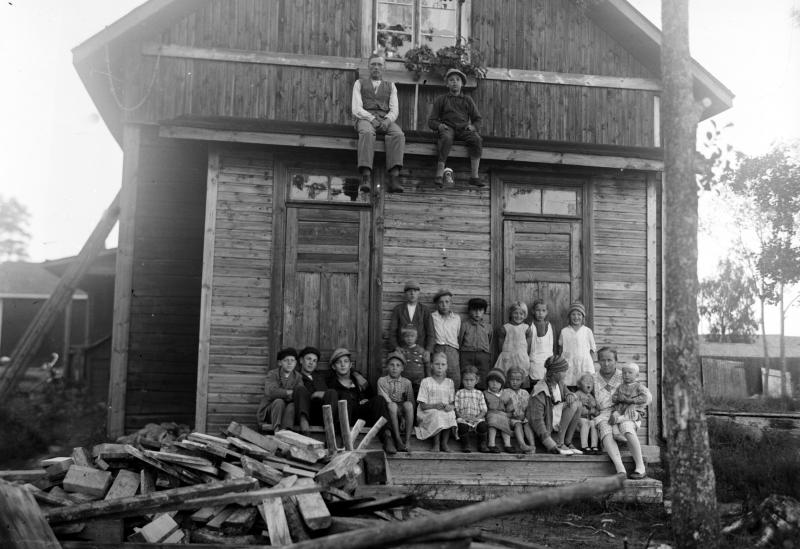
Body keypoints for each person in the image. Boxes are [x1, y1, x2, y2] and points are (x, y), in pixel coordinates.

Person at [322, 348, 394, 453]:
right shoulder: (330, 382)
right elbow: (328, 398)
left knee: (379, 400)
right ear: (333, 366)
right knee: (345, 397)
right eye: (339, 362)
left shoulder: (358, 380)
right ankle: (340, 438)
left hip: (359, 417)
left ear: (350, 365)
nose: (343, 365)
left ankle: (387, 437)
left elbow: (371, 396)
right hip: (341, 418)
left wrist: (365, 400)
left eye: (346, 361)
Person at [594, 347, 650, 479]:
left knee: (626, 426)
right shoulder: (593, 378)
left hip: (626, 410)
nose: (606, 363)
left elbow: (647, 396)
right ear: (598, 361)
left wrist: (633, 404)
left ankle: (640, 467)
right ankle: (621, 470)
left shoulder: (625, 374)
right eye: (602, 360)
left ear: (616, 361)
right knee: (605, 428)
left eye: (610, 360)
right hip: (605, 413)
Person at [352, 54, 405, 194]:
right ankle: (366, 176)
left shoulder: (391, 86)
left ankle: (394, 178)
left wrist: (387, 120)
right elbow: (356, 108)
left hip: (384, 118)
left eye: (379, 65)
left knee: (398, 134)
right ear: (368, 67)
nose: (376, 67)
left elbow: (394, 109)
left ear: (384, 68)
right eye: (373, 64)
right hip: (365, 118)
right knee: (367, 133)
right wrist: (371, 119)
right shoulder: (359, 83)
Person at [427, 68, 484, 188]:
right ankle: (439, 174)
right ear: (447, 84)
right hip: (448, 128)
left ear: (462, 84)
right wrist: (439, 126)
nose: (455, 82)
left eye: (458, 80)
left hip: (463, 129)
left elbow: (478, 119)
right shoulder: (441, 99)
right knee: (446, 138)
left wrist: (473, 127)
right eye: (451, 80)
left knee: (477, 139)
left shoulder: (467, 100)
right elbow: (431, 121)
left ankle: (474, 176)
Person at [529, 355, 583, 455]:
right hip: (547, 427)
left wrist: (569, 394)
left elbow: (567, 392)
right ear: (555, 373)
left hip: (556, 422)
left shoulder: (559, 383)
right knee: (573, 405)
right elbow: (536, 419)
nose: (566, 374)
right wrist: (548, 442)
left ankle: (567, 442)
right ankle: (559, 442)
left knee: (578, 404)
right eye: (564, 371)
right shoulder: (540, 390)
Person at [415, 352, 458, 452]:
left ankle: (444, 443)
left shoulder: (449, 382)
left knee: (450, 414)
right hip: (428, 411)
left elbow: (452, 403)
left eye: (443, 364)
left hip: (443, 410)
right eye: (437, 364)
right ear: (431, 365)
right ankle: (436, 443)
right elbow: (422, 405)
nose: (440, 367)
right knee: (437, 414)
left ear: (446, 366)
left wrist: (450, 407)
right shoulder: (426, 381)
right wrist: (434, 406)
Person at [377, 351, 415, 452]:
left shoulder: (407, 383)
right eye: (392, 365)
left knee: (408, 405)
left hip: (402, 411)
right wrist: (401, 417)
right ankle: (398, 440)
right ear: (387, 367)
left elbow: (411, 402)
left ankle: (407, 440)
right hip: (388, 413)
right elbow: (386, 401)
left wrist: (404, 418)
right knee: (392, 405)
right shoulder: (382, 381)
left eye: (398, 365)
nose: (394, 368)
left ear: (402, 368)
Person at [256, 347, 302, 431]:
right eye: (286, 360)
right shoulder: (273, 374)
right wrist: (288, 392)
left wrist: (281, 393)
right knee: (279, 401)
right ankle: (276, 430)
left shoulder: (298, 377)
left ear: (295, 363)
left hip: (288, 412)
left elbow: (298, 394)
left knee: (292, 406)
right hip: (271, 411)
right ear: (280, 363)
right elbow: (271, 392)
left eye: (292, 360)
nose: (289, 363)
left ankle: (286, 431)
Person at [388, 280, 434, 356]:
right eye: (409, 291)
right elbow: (392, 332)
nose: (412, 293)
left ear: (418, 293)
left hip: (420, 351)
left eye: (415, 291)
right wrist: (396, 347)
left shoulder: (425, 310)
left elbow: (431, 333)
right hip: (402, 350)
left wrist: (428, 350)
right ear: (405, 293)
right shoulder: (398, 309)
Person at [428, 289, 462, 388]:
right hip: (438, 348)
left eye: (447, 302)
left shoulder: (456, 318)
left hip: (452, 350)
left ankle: (453, 397)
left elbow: (458, 335)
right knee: (437, 375)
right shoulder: (432, 317)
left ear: (451, 303)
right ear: (437, 304)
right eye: (441, 302)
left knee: (455, 377)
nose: (444, 305)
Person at [558, 301, 596, 387]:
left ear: (583, 317)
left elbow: (593, 350)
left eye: (579, 314)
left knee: (584, 385)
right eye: (573, 314)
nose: (576, 317)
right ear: (569, 316)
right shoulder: (564, 331)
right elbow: (560, 349)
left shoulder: (587, 331)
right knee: (568, 384)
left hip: (584, 364)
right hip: (569, 363)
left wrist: (591, 363)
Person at [458, 297, 492, 389]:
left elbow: (490, 340)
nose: (477, 313)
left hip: (483, 355)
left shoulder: (488, 327)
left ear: (484, 311)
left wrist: (486, 353)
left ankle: (481, 394)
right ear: (469, 311)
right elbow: (460, 340)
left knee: (483, 376)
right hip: (466, 354)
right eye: (474, 310)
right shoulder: (464, 325)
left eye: (480, 310)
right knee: (466, 375)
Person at [292, 346, 327, 434]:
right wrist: (313, 395)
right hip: (303, 412)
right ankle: (304, 424)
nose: (311, 363)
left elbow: (341, 371)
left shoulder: (321, 377)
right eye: (308, 359)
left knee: (332, 393)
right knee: (300, 389)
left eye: (314, 361)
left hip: (320, 414)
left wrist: (355, 374)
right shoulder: (295, 376)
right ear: (301, 360)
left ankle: (331, 425)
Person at [454, 366, 489, 453]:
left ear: (476, 380)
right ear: (462, 380)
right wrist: (462, 417)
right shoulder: (459, 393)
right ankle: (465, 445)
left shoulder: (479, 393)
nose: (468, 382)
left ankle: (482, 444)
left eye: (471, 380)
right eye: (466, 380)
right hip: (463, 418)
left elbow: (484, 410)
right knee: (462, 426)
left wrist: (477, 418)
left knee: (483, 426)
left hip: (476, 418)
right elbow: (456, 409)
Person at [494, 301, 533, 377]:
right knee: (506, 375)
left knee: (521, 375)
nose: (518, 316)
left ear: (525, 315)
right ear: (511, 313)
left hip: (521, 357)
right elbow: (500, 345)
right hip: (507, 357)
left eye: (521, 314)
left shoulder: (526, 328)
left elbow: (528, 346)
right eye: (515, 313)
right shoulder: (505, 328)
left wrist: (524, 355)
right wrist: (505, 354)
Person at [502, 366, 535, 453]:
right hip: (512, 419)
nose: (515, 382)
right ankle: (522, 444)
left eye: (518, 380)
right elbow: (503, 408)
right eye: (512, 379)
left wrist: (525, 415)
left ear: (522, 380)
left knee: (527, 425)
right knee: (518, 424)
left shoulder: (525, 393)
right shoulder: (505, 392)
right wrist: (510, 412)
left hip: (524, 417)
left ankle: (532, 445)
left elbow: (529, 407)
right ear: (508, 379)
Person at [483, 368, 512, 453]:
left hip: (503, 415)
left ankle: (507, 444)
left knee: (505, 423)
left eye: (498, 382)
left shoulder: (505, 394)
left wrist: (509, 413)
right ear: (487, 382)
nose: (494, 384)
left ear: (502, 384)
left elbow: (510, 406)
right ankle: (491, 444)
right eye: (492, 381)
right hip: (490, 414)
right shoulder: (485, 394)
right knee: (492, 423)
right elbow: (483, 407)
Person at [396, 325, 429, 396]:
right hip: (405, 381)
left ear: (416, 337)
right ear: (403, 337)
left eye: (412, 336)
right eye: (407, 336)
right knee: (406, 398)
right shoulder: (402, 351)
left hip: (419, 382)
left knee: (418, 398)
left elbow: (427, 365)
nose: (409, 338)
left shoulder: (421, 351)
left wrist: (428, 379)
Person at [528, 300, 554, 390]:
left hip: (548, 363)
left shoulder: (550, 326)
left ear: (547, 312)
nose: (540, 313)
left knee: (548, 388)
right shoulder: (530, 326)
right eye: (538, 310)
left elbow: (552, 345)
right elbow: (527, 347)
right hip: (534, 362)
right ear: (533, 311)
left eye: (543, 311)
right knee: (535, 388)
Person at [575, 373, 600, 454]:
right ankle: (584, 446)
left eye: (591, 382)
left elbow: (595, 410)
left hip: (588, 419)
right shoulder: (578, 394)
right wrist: (587, 410)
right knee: (586, 422)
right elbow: (575, 407)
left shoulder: (591, 397)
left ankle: (594, 446)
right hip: (578, 419)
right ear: (579, 384)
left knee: (594, 423)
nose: (589, 383)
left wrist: (594, 410)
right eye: (585, 381)